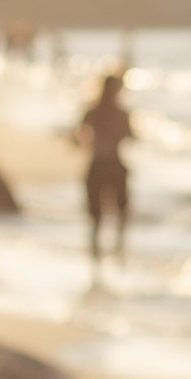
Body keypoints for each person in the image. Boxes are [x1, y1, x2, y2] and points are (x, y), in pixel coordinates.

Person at [75, 66, 135, 267]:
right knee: (120, 213)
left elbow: (77, 137)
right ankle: (118, 251)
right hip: (114, 165)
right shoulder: (120, 113)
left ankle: (97, 256)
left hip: (98, 164)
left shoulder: (93, 111)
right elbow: (130, 137)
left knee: (97, 216)